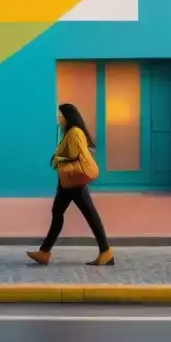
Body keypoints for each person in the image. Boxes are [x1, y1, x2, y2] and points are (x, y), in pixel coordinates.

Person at [27, 103, 115, 266]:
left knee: (89, 214)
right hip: (67, 180)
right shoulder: (68, 132)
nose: (57, 118)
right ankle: (44, 252)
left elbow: (74, 155)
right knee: (58, 213)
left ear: (67, 116)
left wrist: (57, 159)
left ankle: (106, 251)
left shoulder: (74, 132)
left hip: (73, 179)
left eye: (60, 115)